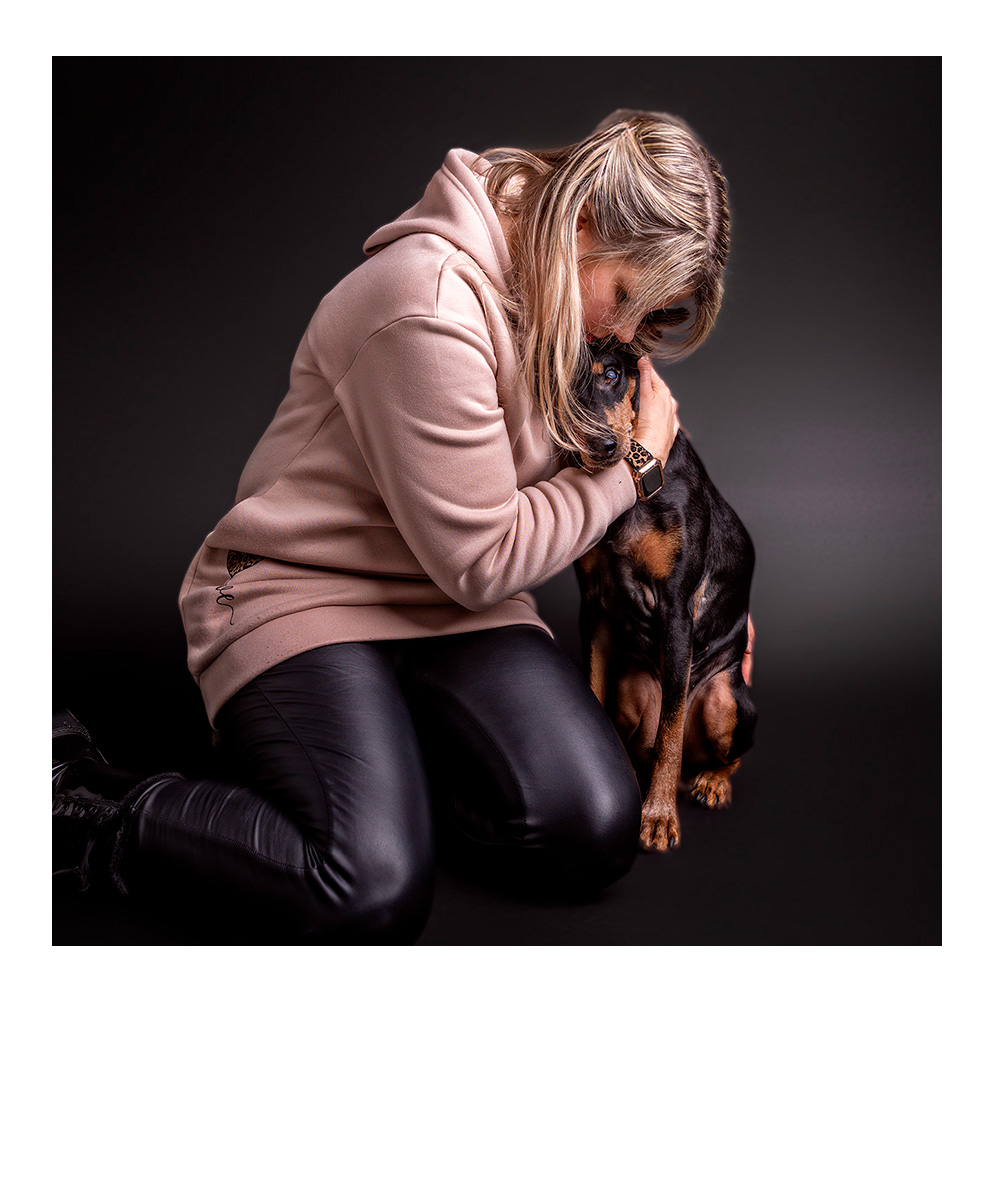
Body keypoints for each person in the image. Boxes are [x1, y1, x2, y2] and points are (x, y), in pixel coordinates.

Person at [53, 109, 738, 944]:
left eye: (646, 317)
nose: (623, 338)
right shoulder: (429, 304)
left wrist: (722, 601)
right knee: (366, 888)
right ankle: (80, 801)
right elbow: (489, 557)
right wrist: (633, 473)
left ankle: (390, 773)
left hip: (451, 607)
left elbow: (603, 479)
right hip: (305, 595)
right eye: (625, 298)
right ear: (585, 217)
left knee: (594, 825)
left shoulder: (564, 285)